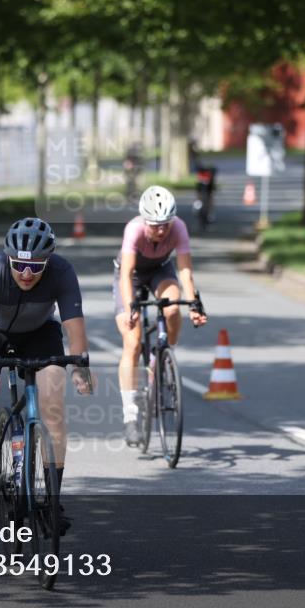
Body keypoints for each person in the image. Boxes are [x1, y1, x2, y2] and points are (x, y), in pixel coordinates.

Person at [0, 217, 93, 499]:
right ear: (8, 259)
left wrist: (80, 367)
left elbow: (74, 328)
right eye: (18, 265)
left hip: (39, 333)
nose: (26, 273)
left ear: (48, 261)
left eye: (35, 266)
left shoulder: (62, 272)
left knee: (53, 399)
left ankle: (53, 497)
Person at [114, 185, 207, 446]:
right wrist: (132, 306)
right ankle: (130, 415)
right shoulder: (133, 230)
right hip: (130, 276)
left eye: (165, 224)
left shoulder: (179, 228)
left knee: (173, 307)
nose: (162, 230)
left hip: (160, 271)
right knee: (132, 342)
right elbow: (125, 274)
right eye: (155, 225)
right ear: (145, 220)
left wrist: (194, 305)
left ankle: (164, 354)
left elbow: (185, 271)